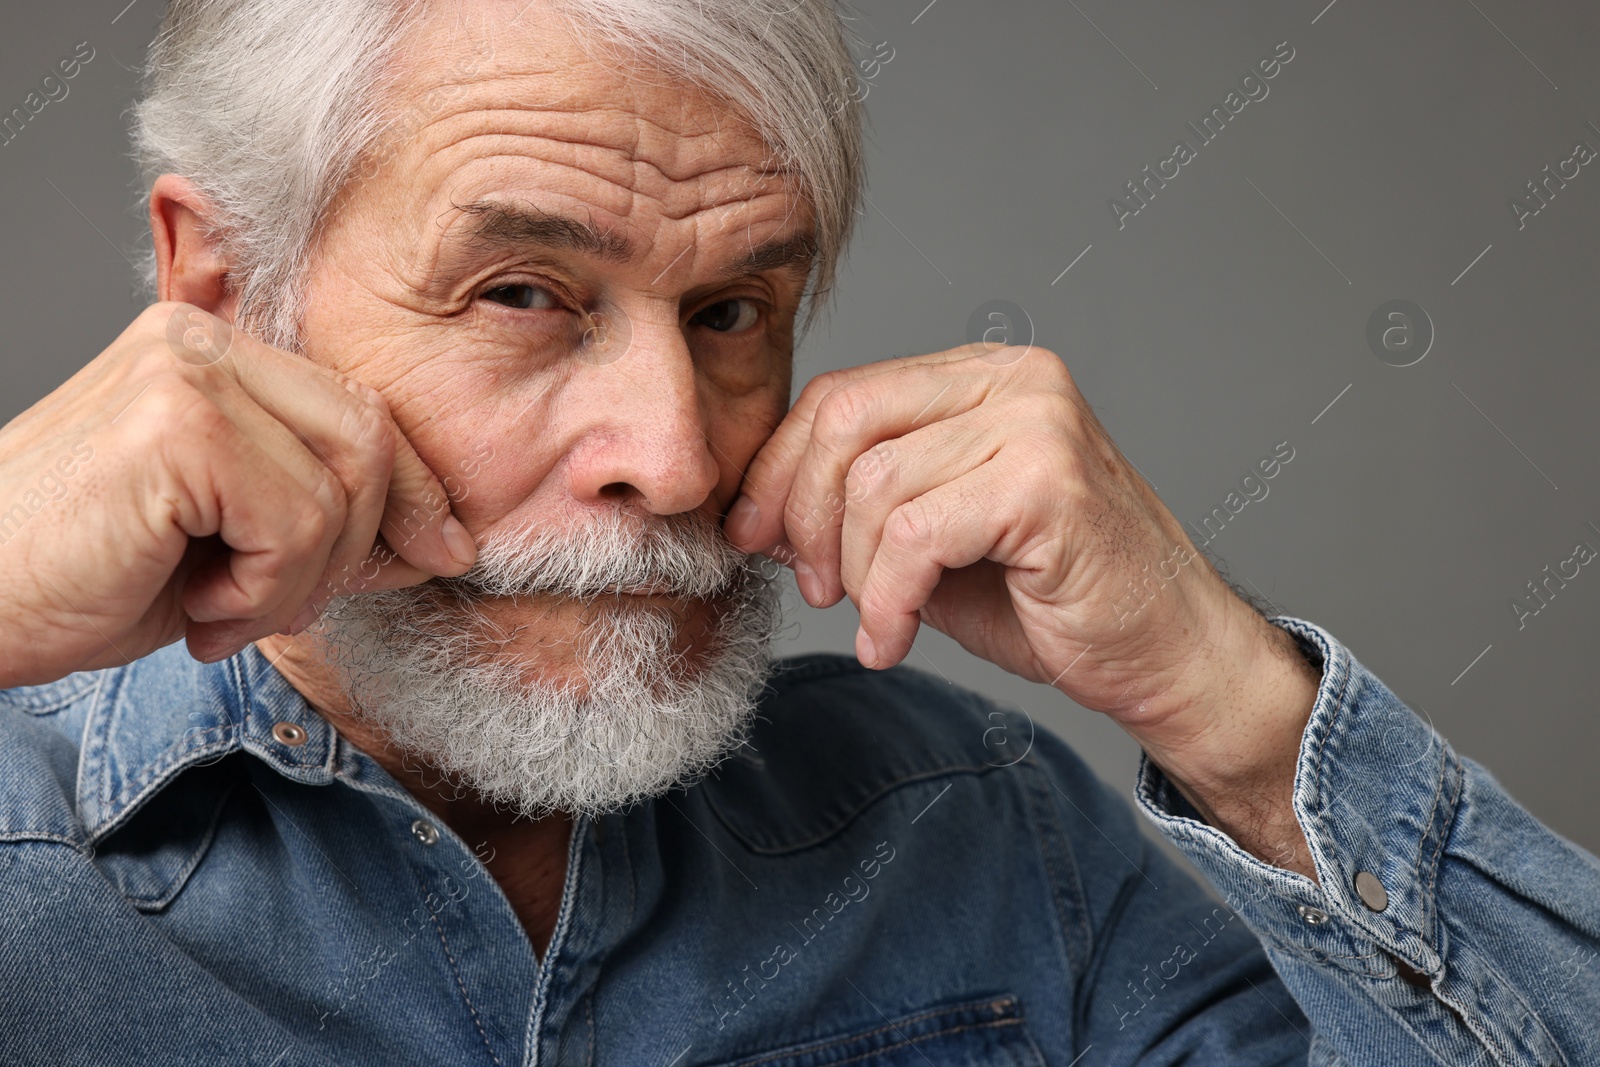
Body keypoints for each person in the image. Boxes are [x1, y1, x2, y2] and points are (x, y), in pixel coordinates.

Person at [0, 1, 1594, 1064]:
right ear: (220, 289)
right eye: (522, 294)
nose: (678, 458)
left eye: (732, 310)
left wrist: (1234, 709)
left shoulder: (982, 834)